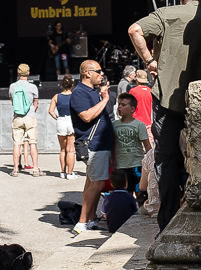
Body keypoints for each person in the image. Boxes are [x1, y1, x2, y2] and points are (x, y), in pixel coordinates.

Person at [129, 0, 201, 231]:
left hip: (168, 99)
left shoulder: (167, 14)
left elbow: (134, 30)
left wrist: (149, 61)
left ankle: (168, 224)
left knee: (166, 160)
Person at [69, 60, 113, 236]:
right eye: (98, 71)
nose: (101, 74)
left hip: (100, 144)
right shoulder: (79, 93)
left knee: (92, 183)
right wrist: (106, 99)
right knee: (97, 183)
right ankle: (82, 222)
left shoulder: (92, 91)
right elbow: (87, 116)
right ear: (88, 73)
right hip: (93, 144)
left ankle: (91, 219)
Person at [113, 93, 151, 196]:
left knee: (140, 193)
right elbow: (113, 144)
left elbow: (147, 145)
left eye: (124, 105)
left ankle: (140, 211)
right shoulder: (114, 125)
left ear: (132, 109)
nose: (120, 107)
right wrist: (112, 160)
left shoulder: (139, 125)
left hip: (137, 165)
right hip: (121, 166)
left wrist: (151, 161)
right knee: (125, 193)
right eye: (119, 104)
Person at [8, 64, 42, 177]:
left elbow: (12, 101)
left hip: (17, 117)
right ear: (28, 73)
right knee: (33, 143)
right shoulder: (33, 87)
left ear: (17, 73)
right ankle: (35, 169)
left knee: (17, 144)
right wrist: (32, 110)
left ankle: (15, 169)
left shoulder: (12, 86)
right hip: (30, 117)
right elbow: (36, 103)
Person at [48, 73, 75, 179]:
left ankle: (63, 172)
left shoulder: (56, 96)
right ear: (72, 85)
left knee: (62, 149)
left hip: (61, 120)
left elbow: (50, 111)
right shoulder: (74, 96)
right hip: (71, 120)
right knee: (71, 149)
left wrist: (57, 118)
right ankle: (70, 173)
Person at [103, 168, 138, 234]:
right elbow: (135, 212)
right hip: (128, 227)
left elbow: (104, 214)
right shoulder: (130, 197)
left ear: (111, 184)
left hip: (112, 227)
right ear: (126, 183)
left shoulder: (108, 197)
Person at [138, 147, 160, 220]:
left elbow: (142, 187)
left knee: (140, 211)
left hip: (154, 209)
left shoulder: (151, 154)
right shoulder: (180, 152)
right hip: (174, 208)